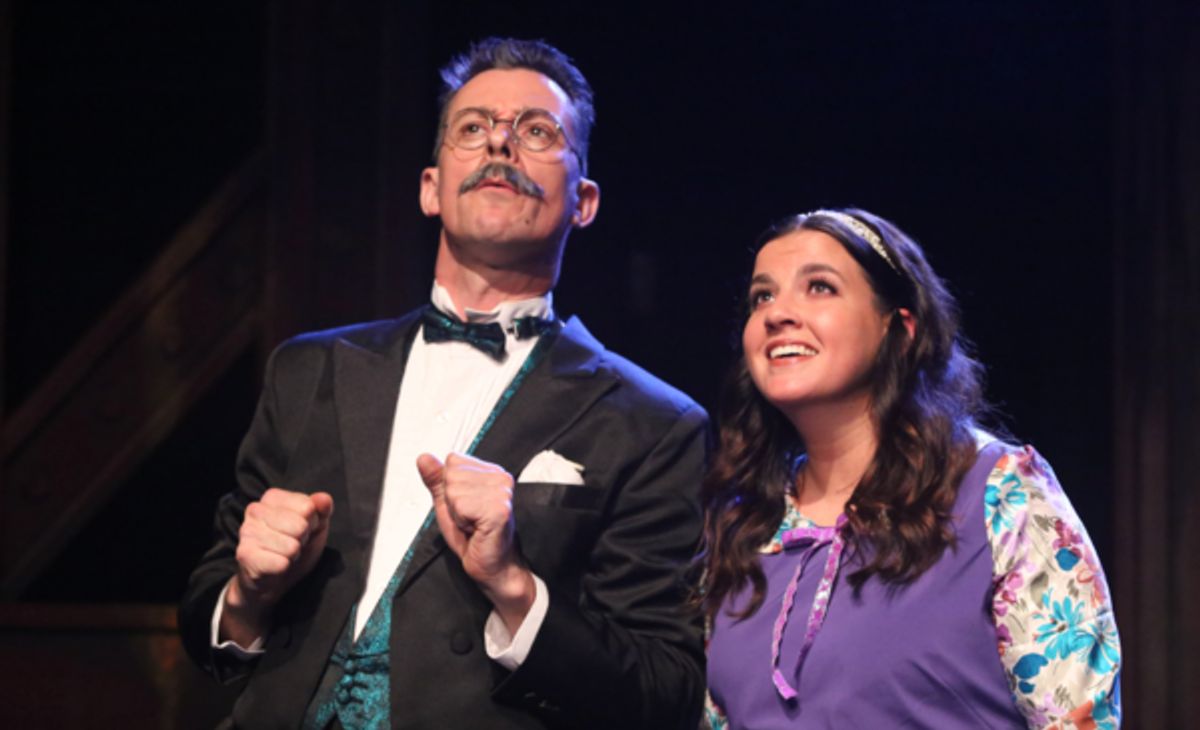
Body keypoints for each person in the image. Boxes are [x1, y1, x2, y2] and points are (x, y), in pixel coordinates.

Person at [179, 37, 708, 730]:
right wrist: (248, 593)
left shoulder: (652, 422)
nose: (500, 144)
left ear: (583, 201)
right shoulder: (308, 370)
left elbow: (663, 692)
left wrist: (514, 586)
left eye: (537, 132)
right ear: (430, 188)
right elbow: (208, 618)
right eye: (473, 128)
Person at [699, 208, 1121, 728]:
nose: (777, 313)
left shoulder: (996, 491)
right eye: (762, 296)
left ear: (899, 328)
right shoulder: (743, 524)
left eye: (820, 287)